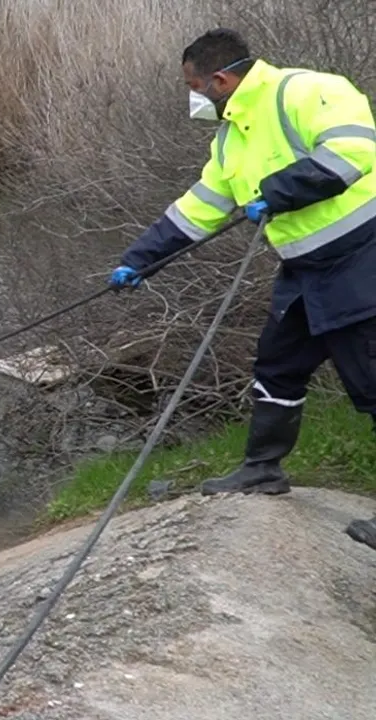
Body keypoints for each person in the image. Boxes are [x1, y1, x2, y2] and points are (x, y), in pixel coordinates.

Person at [107, 28, 376, 550]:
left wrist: (279, 191)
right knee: (277, 366)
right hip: (304, 272)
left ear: (221, 79)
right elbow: (200, 206)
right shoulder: (231, 137)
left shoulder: (305, 90)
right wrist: (139, 261)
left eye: (195, 87)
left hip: (361, 263)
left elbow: (354, 151)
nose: (194, 98)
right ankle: (262, 469)